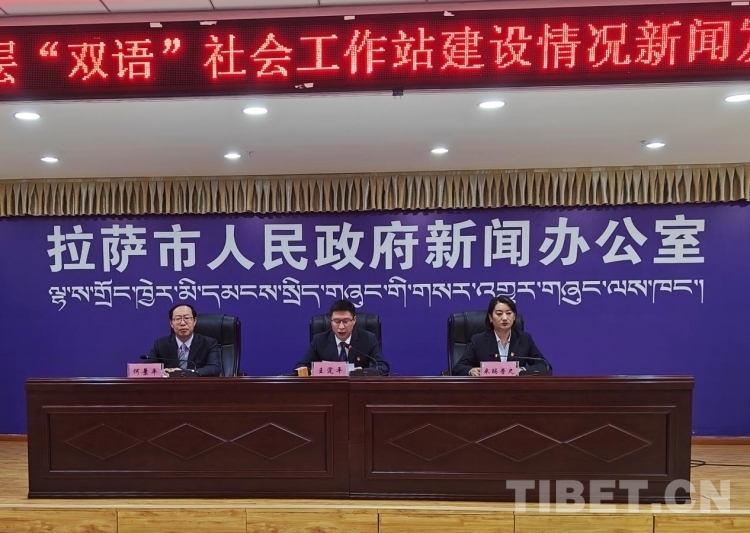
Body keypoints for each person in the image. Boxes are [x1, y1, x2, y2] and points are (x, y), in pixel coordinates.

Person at [452, 296, 551, 377]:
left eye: (509, 313)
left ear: (514, 316)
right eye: (499, 314)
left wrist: (522, 370)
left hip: (516, 391)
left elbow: (545, 365)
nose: (504, 318)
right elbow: (458, 368)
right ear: (491, 317)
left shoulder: (524, 339)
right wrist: (470, 371)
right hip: (487, 391)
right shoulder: (478, 340)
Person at [295, 300, 390, 375]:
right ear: (330, 321)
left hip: (358, 390)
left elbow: (383, 367)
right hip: (328, 390)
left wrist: (362, 372)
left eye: (345, 321)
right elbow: (301, 367)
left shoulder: (369, 339)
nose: (341, 327)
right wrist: (314, 371)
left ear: (354, 320)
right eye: (336, 321)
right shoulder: (319, 340)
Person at [147, 303, 221, 376]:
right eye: (178, 319)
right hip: (170, 384)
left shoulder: (208, 343)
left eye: (187, 318)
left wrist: (186, 372)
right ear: (171, 323)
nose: (182, 323)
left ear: (194, 321)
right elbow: (147, 368)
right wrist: (160, 372)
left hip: (197, 383)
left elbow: (214, 368)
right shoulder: (161, 344)